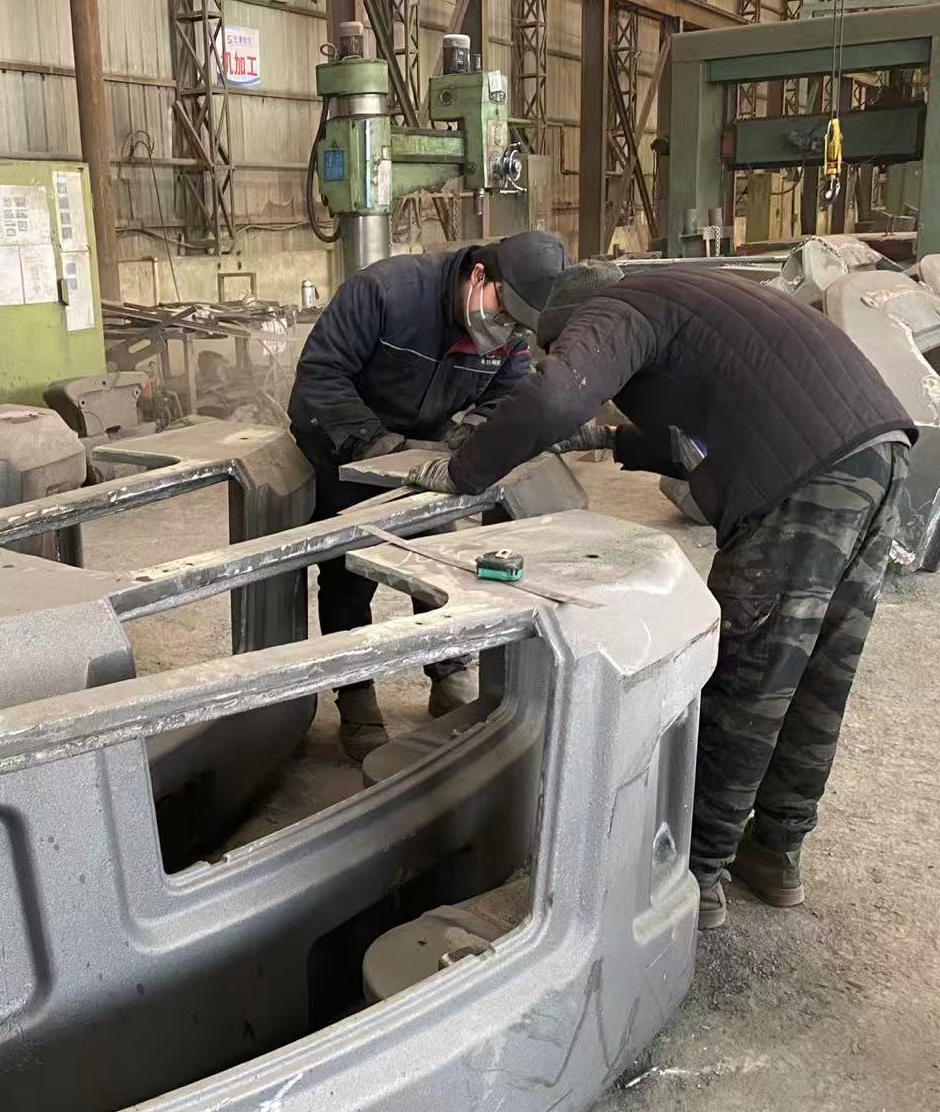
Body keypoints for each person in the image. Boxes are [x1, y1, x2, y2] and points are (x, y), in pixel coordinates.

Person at [408, 261, 913, 929]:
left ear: (571, 323)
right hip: (881, 450)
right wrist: (609, 437)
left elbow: (556, 397)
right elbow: (704, 432)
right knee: (820, 674)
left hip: (804, 476)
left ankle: (691, 872)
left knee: (746, 680)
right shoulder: (690, 299)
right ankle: (776, 851)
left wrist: (463, 471)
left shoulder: (614, 306)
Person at [288, 231, 569, 762]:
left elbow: (508, 393)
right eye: (503, 311)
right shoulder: (385, 293)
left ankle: (448, 672)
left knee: (438, 564)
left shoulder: (508, 336)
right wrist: (375, 445)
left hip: (424, 452)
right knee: (348, 573)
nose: (505, 329)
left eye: (518, 323)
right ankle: (356, 695)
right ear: (479, 276)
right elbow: (319, 377)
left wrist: (471, 435)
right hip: (345, 441)